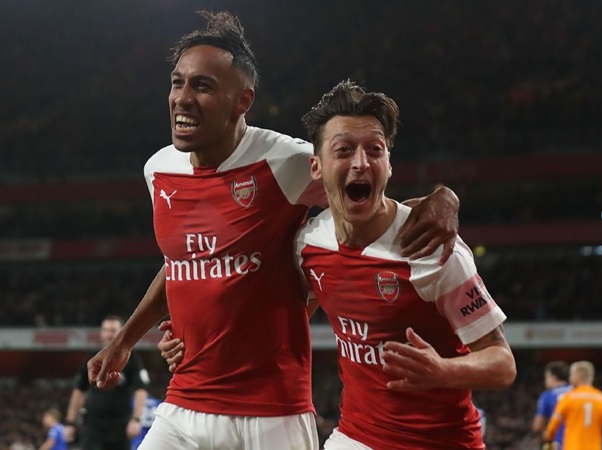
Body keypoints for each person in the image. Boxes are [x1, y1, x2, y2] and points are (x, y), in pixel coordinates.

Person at [87, 11, 459, 450]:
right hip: (184, 403)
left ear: (242, 101)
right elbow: (179, 262)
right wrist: (124, 341)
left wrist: (443, 197)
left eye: (202, 86)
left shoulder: (287, 163)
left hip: (272, 412)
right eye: (177, 83)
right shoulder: (159, 169)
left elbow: (371, 207)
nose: (182, 98)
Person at [292, 80, 516, 449]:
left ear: (389, 165)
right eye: (344, 150)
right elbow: (290, 314)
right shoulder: (309, 244)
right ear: (316, 167)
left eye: (374, 150)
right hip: (356, 437)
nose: (361, 162)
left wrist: (444, 370)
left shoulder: (432, 249)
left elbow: (502, 363)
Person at [65, 315, 148, 450]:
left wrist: (136, 419)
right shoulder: (92, 357)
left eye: (113, 330)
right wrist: (70, 422)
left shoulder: (131, 359)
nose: (109, 334)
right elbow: (79, 390)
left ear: (121, 332)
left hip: (120, 426)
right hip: (93, 426)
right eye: (106, 330)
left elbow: (141, 389)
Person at [543, 361, 602, 450]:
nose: (570, 378)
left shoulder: (567, 398)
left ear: (577, 377)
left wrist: (548, 439)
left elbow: (552, 426)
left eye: (571, 375)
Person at [532, 361, 571, 449]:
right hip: (577, 443)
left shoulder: (548, 395)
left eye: (546, 377)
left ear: (553, 377)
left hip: (557, 444)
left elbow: (538, 426)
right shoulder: (576, 393)